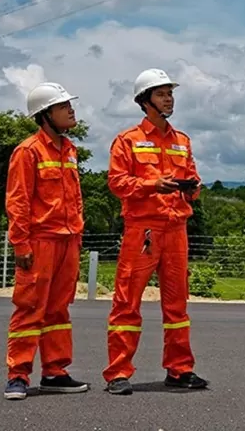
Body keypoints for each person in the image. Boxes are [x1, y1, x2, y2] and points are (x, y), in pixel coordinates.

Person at [102, 68, 208, 395]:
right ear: (145, 100)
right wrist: (152, 185)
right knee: (127, 302)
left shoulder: (182, 141)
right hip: (143, 230)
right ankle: (118, 373)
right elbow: (117, 182)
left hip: (177, 229)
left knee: (177, 305)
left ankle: (179, 370)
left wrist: (192, 190)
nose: (169, 98)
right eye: (162, 93)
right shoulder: (127, 141)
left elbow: (191, 178)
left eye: (170, 93)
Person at [4, 82, 90, 400]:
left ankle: (55, 371)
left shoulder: (69, 150)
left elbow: (76, 199)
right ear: (45, 114)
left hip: (68, 242)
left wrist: (78, 236)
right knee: (30, 308)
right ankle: (18, 375)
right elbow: (18, 201)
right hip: (39, 242)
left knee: (58, 310)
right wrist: (21, 244)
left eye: (70, 104)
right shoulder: (28, 151)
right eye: (63, 105)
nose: (71, 109)